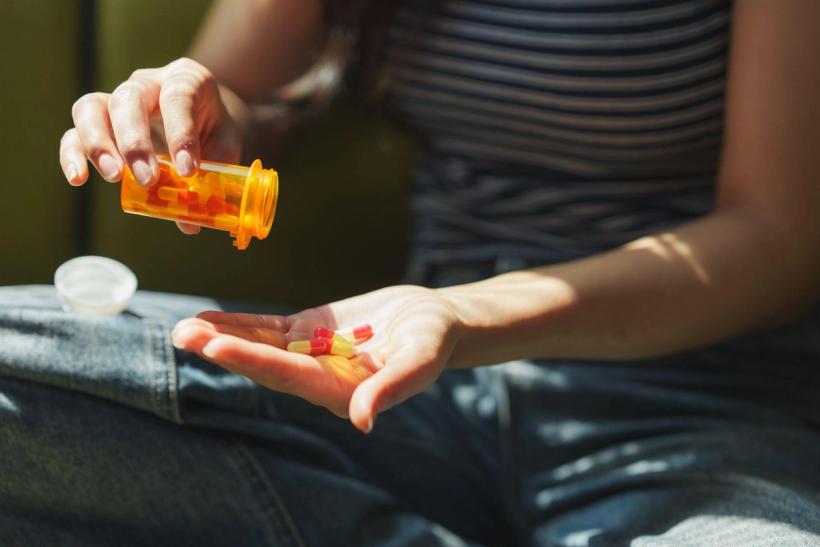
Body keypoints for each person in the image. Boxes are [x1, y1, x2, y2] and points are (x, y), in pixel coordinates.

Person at [3, 0, 818, 544]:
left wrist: (464, 316)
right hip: (404, 400)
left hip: (689, 407)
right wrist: (191, 118)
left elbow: (779, 240)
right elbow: (242, 98)